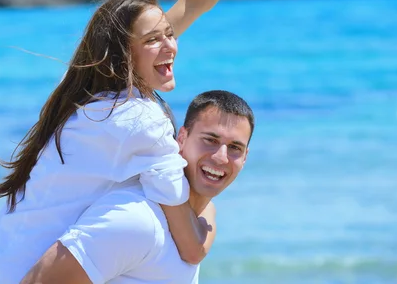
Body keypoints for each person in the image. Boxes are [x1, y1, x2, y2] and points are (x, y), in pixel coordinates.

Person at [0, 0, 310, 282]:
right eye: (154, 40)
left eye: (169, 34)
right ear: (123, 56)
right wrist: (210, 217)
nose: (171, 45)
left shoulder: (87, 86)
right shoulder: (138, 121)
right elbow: (191, 243)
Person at [21, 90, 255, 284]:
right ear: (181, 138)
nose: (221, 157)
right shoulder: (137, 219)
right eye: (210, 140)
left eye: (235, 147)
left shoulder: (199, 221)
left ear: (245, 158)